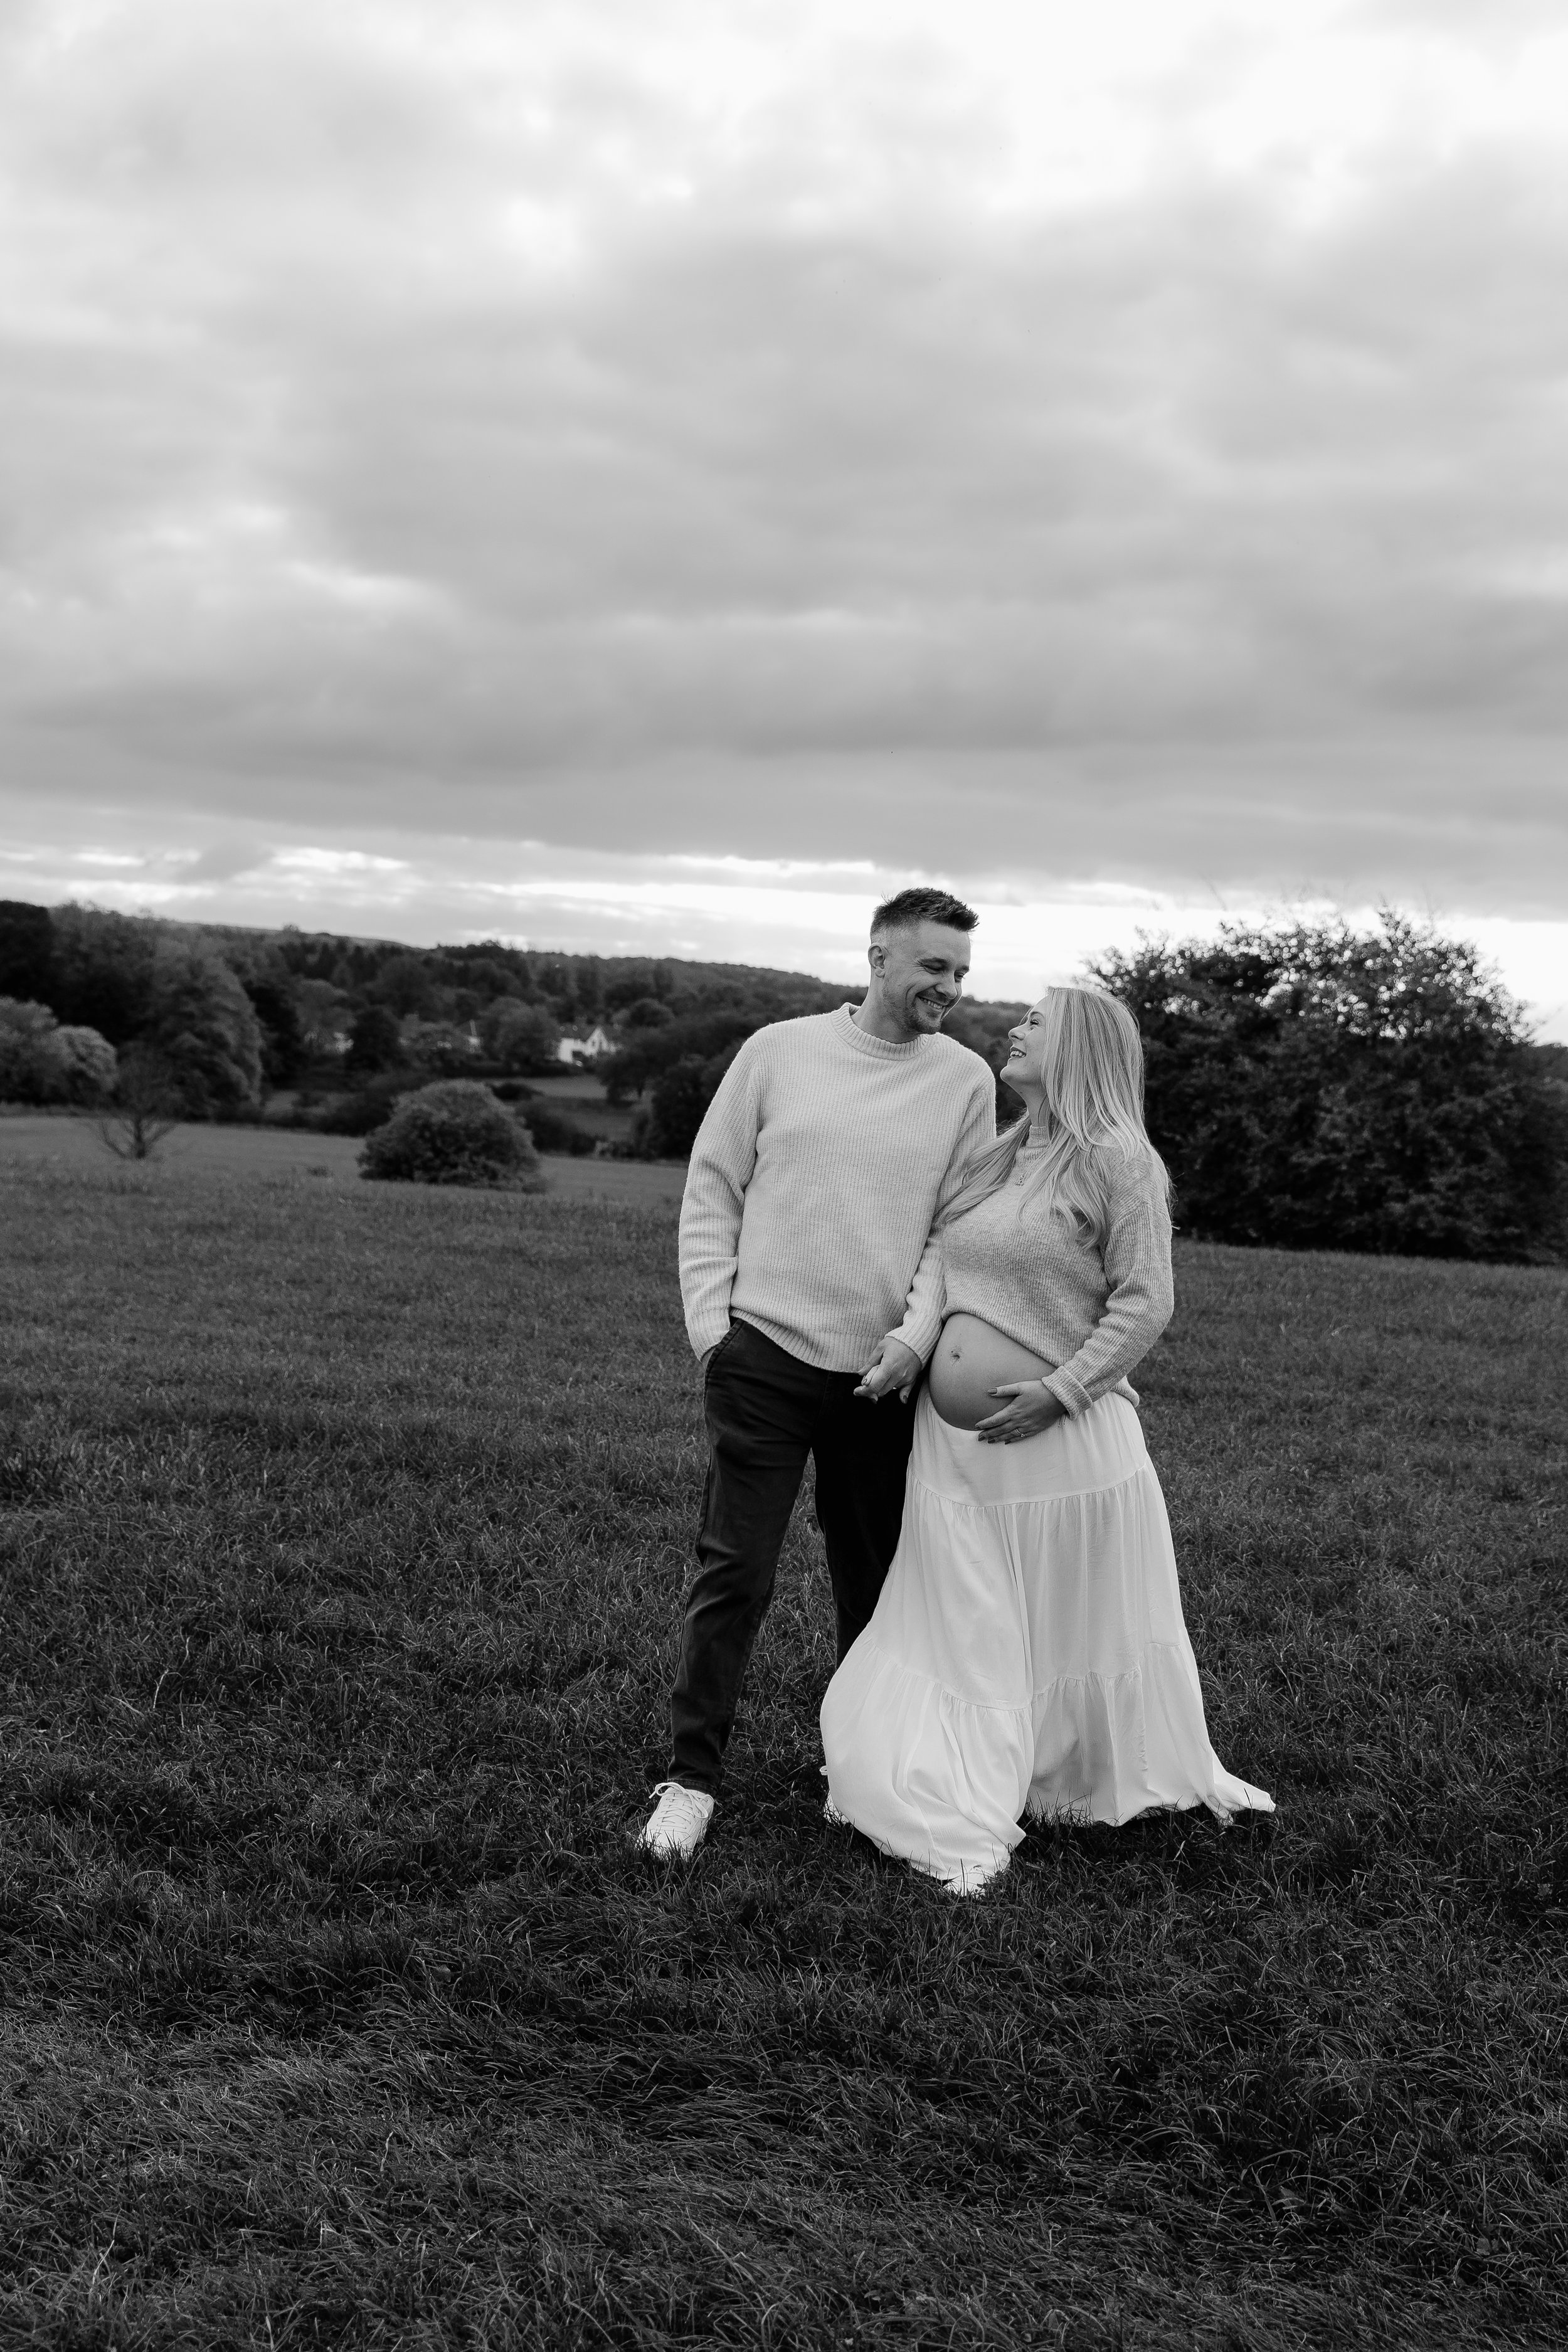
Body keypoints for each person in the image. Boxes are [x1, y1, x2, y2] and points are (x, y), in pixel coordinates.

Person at [821, 984, 1273, 1894]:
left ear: (1081, 1048)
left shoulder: (1119, 1159)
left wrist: (1062, 1393)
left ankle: (1056, 1774)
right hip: (954, 1455)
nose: (1015, 1029)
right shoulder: (1002, 1150)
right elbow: (944, 1261)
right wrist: (914, 1341)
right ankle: (947, 1769)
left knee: (1061, 1626)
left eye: (1036, 1021)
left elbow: (1147, 1300)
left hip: (1061, 1447)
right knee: (960, 1622)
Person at [637, 887, 998, 1860]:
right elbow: (714, 1182)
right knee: (736, 1571)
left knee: (872, 1584)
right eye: (934, 966)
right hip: (763, 1357)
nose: (951, 987)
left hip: (882, 1378)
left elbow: (955, 1231)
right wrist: (713, 1328)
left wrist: (915, 1339)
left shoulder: (965, 1082)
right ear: (879, 957)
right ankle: (691, 1780)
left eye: (962, 972)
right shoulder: (778, 1051)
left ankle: (860, 1771)